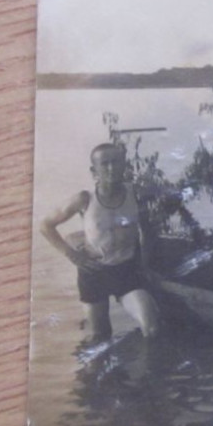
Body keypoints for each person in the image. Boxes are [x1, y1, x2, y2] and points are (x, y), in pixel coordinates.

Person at [40, 141, 159, 345]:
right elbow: (46, 225)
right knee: (100, 336)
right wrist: (73, 255)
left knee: (152, 327)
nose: (111, 168)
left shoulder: (136, 194)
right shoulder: (84, 199)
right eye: (105, 164)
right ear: (94, 170)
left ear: (125, 165)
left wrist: (145, 265)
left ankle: (146, 375)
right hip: (93, 273)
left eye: (116, 162)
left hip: (127, 271)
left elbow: (147, 232)